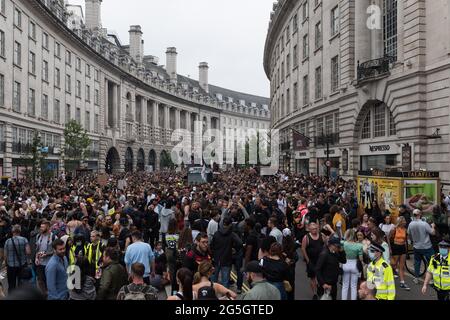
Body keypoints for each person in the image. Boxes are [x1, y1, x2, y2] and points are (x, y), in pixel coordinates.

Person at [210, 217, 243, 288]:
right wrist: (235, 249)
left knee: (213, 280)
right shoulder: (232, 234)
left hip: (216, 259)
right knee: (225, 281)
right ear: (230, 225)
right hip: (227, 260)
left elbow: (211, 246)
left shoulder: (216, 233)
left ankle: (212, 293)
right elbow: (240, 243)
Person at [408, 209, 436, 284]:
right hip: (426, 246)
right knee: (431, 262)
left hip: (416, 247)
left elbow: (409, 235)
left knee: (417, 262)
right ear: (420, 214)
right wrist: (433, 226)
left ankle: (416, 278)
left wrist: (412, 241)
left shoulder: (411, 224)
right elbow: (433, 233)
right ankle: (430, 279)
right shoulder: (424, 224)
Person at [315, 235, 347, 300]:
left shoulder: (336, 253)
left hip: (333, 285)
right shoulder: (324, 254)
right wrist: (323, 284)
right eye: (337, 246)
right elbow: (317, 270)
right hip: (325, 285)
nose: (338, 248)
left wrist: (342, 251)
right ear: (331, 245)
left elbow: (344, 261)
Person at [301, 222, 325, 300]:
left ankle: (320, 288)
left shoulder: (321, 235)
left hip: (321, 260)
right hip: (311, 260)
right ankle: (314, 293)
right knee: (313, 278)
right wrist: (307, 260)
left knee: (321, 276)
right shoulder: (306, 237)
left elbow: (326, 244)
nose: (315, 230)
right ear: (309, 230)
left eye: (316, 228)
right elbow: (303, 248)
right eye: (313, 229)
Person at [4, 225, 31, 293]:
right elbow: (28, 252)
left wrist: (6, 263)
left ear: (12, 232)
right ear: (20, 231)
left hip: (11, 266)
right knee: (21, 284)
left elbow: (5, 255)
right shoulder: (24, 239)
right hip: (22, 265)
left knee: (11, 285)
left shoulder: (7, 241)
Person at [34, 220, 57, 295]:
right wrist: (36, 258)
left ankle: (50, 293)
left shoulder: (53, 237)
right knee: (40, 280)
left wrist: (47, 254)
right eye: (40, 227)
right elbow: (37, 249)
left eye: (43, 227)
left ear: (48, 227)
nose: (41, 228)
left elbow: (56, 251)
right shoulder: (38, 236)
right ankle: (44, 294)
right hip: (40, 263)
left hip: (50, 263)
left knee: (49, 280)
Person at [341, 229, 364, 300]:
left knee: (345, 286)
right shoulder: (359, 245)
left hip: (345, 264)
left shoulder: (343, 243)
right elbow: (361, 259)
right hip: (355, 265)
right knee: (353, 286)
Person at [389, 216, 410, 290]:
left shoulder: (405, 229)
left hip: (402, 248)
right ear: (400, 221)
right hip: (395, 247)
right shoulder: (394, 228)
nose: (405, 222)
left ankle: (402, 282)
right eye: (404, 221)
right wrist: (389, 249)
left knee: (402, 266)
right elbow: (388, 238)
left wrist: (406, 250)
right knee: (394, 265)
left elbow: (405, 240)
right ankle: (387, 278)